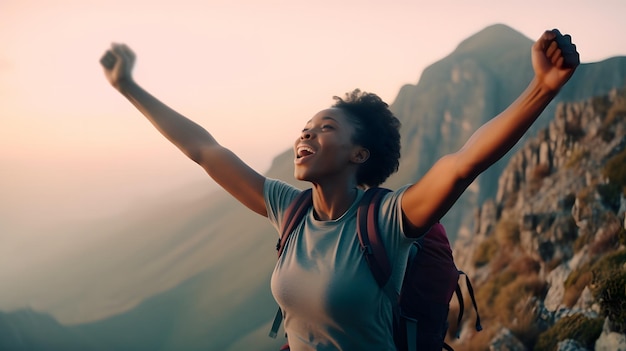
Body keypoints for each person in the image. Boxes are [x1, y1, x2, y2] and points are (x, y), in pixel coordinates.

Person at [100, 29, 579, 350]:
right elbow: (204, 150)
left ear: (359, 154)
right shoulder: (287, 209)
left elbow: (463, 164)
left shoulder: (390, 220)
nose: (305, 134)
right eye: (305, 127)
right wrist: (128, 88)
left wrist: (543, 88)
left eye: (325, 128)